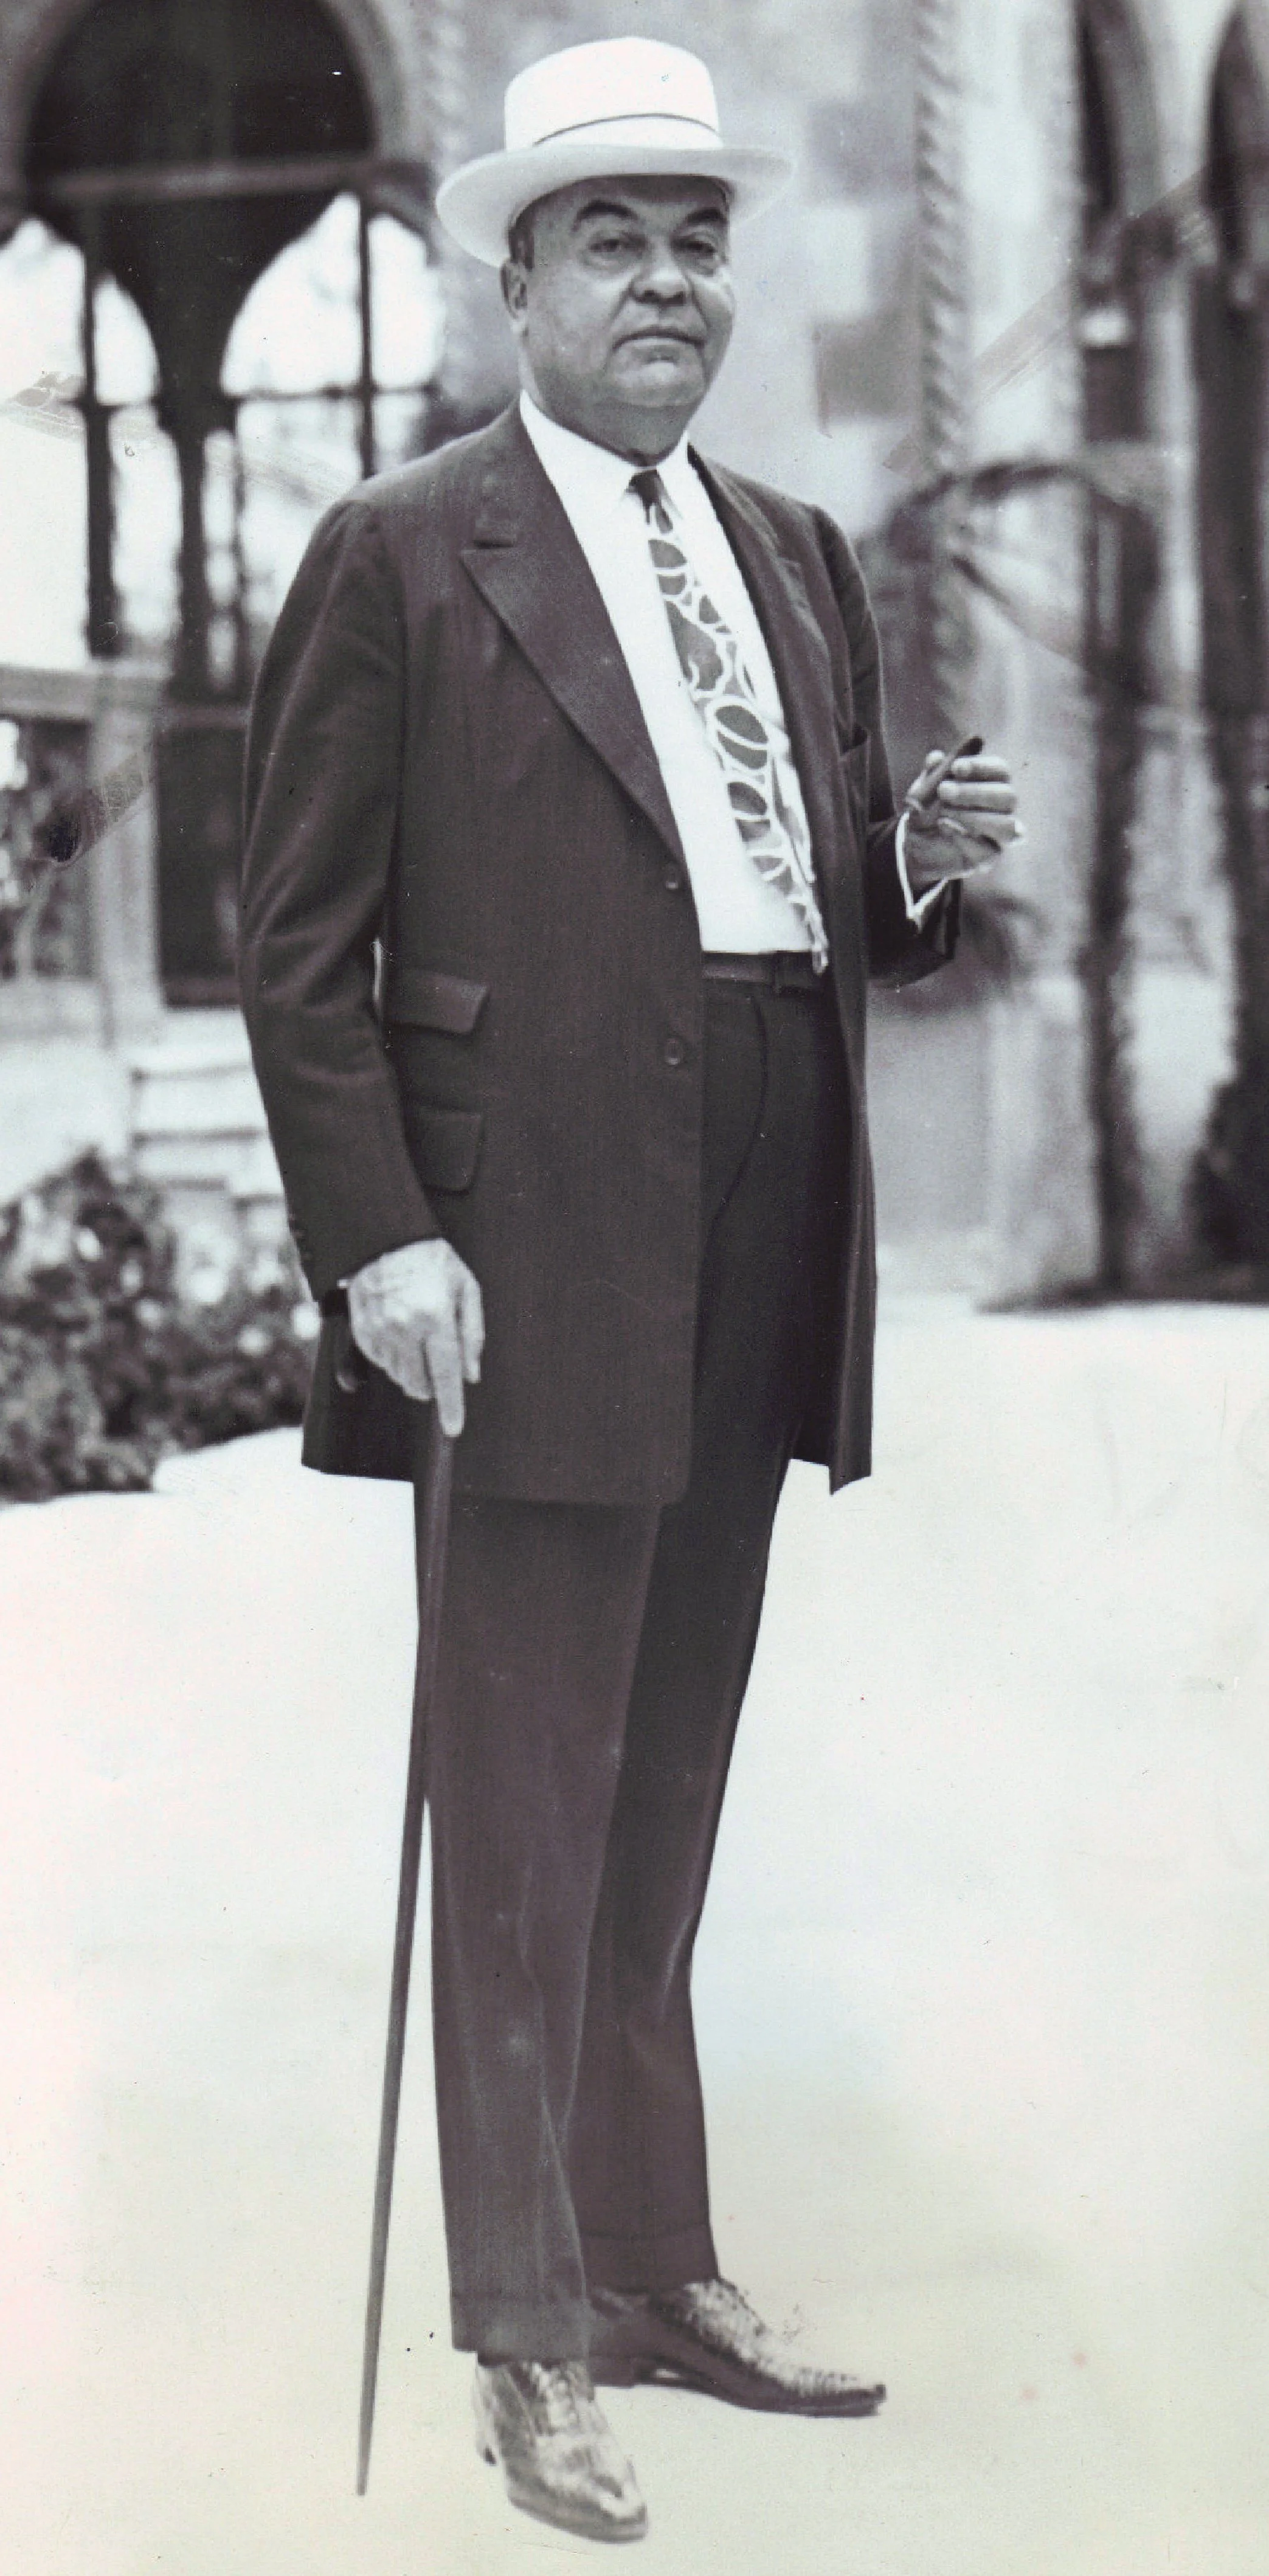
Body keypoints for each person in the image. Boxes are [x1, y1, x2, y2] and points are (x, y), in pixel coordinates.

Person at [238, 35, 1019, 2547]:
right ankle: (524, 2334)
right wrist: (381, 1238)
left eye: (695, 236)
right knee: (534, 1807)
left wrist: (915, 864)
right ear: (515, 283)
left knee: (661, 1795)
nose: (665, 278)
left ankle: (657, 2269)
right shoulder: (400, 547)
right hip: (526, 1242)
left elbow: (807, 915)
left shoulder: (787, 548)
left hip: (757, 1216)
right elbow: (295, 952)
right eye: (610, 238)